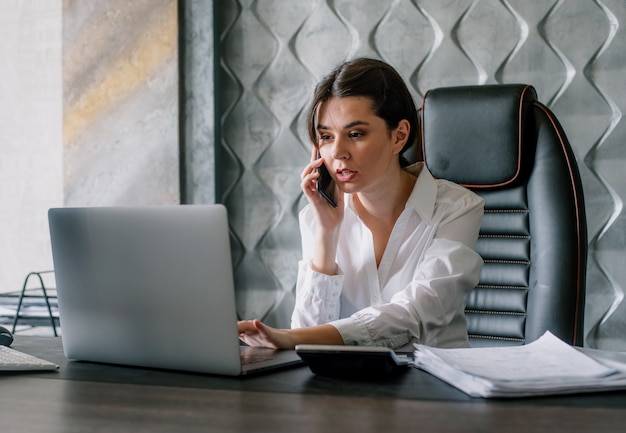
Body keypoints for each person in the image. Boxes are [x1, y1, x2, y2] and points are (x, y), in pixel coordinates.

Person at [238, 57, 484, 349]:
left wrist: (290, 338)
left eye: (355, 134)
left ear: (399, 136)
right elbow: (309, 339)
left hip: (432, 387)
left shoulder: (456, 208)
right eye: (326, 137)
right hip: (347, 389)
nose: (338, 152)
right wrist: (327, 236)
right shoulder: (316, 217)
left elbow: (415, 314)